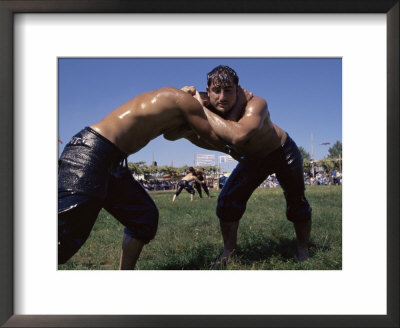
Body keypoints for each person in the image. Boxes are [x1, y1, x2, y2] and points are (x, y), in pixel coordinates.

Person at [58, 86, 237, 270]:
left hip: (112, 161)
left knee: (143, 217)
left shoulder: (176, 110)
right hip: (91, 152)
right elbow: (212, 134)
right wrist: (239, 152)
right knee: (63, 242)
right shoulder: (185, 99)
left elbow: (176, 136)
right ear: (205, 102)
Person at [183, 65, 312, 264]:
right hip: (254, 159)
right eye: (216, 90)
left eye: (228, 90)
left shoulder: (256, 104)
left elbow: (239, 135)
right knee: (227, 201)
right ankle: (229, 251)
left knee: (297, 202)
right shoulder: (208, 107)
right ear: (207, 91)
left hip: (282, 151)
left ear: (239, 90)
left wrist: (197, 108)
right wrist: (183, 98)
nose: (222, 96)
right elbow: (173, 131)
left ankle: (303, 248)